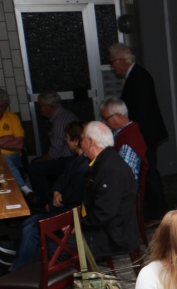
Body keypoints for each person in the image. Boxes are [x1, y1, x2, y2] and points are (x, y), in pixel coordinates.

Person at [8, 121, 88, 271]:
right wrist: (56, 191)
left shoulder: (84, 165)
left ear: (76, 141)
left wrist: (50, 206)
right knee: (28, 223)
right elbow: (60, 180)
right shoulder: (74, 160)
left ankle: (19, 269)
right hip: (63, 208)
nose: (65, 141)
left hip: (68, 213)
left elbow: (73, 196)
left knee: (30, 229)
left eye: (67, 138)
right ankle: (21, 259)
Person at [111, 43, 168, 219]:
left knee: (149, 173)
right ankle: (154, 210)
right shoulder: (135, 75)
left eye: (112, 62)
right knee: (148, 172)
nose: (112, 67)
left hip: (145, 134)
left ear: (121, 61)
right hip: (145, 133)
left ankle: (157, 213)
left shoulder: (139, 76)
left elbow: (141, 112)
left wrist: (130, 131)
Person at [78, 122, 140, 258]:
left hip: (113, 235)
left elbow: (104, 213)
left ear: (91, 142)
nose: (79, 144)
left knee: (53, 246)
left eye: (81, 139)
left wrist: (77, 226)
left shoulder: (110, 169)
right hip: (107, 228)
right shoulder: (104, 161)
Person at [27, 91, 79, 202]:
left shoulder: (60, 122)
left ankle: (45, 201)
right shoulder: (65, 114)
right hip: (71, 157)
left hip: (69, 160)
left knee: (34, 167)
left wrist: (38, 161)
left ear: (48, 107)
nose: (38, 109)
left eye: (40, 106)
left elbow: (53, 154)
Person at [100, 97, 148, 180]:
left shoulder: (129, 140)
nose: (103, 122)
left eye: (106, 119)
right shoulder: (123, 133)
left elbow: (123, 176)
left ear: (118, 116)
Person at [0, 88, 29, 196]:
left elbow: (19, 144)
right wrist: (8, 137)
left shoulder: (12, 117)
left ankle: (21, 191)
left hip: (13, 156)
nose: (1, 109)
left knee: (4, 161)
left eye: (4, 106)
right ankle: (25, 189)